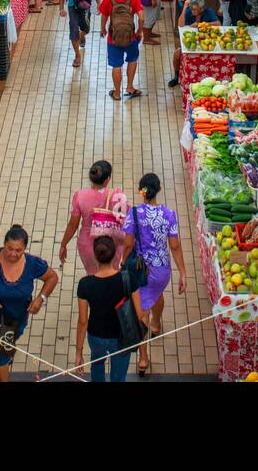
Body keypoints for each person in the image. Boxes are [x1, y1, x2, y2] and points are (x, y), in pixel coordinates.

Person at [0, 226, 59, 382]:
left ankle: (9, 350)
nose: (13, 254)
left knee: (13, 339)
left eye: (18, 250)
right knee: (1, 356)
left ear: (25, 249)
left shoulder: (32, 263)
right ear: (4, 244)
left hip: (19, 318)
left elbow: (52, 277)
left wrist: (40, 299)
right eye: (9, 248)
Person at [119, 173, 187, 377]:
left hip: (139, 271)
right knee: (155, 296)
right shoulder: (169, 214)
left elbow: (129, 244)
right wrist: (183, 273)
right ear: (158, 191)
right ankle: (157, 323)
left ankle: (143, 358)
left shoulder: (134, 213)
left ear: (142, 191)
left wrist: (122, 262)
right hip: (161, 271)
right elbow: (174, 246)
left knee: (141, 313)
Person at [74, 236, 142, 382]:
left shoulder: (85, 284)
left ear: (95, 255)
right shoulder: (129, 278)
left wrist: (78, 351)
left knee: (97, 367)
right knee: (118, 376)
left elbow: (83, 321)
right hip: (121, 336)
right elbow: (140, 313)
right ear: (115, 255)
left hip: (96, 335)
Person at [60, 160, 129, 275]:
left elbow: (72, 225)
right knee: (112, 271)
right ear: (107, 179)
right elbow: (124, 221)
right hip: (112, 242)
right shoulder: (117, 194)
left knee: (92, 273)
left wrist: (63, 244)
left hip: (87, 243)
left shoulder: (79, 196)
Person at [101, 0, 143, 100]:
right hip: (130, 37)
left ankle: (117, 93)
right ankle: (130, 87)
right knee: (132, 60)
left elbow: (104, 16)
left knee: (116, 65)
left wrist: (103, 29)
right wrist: (139, 32)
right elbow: (141, 17)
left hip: (113, 38)